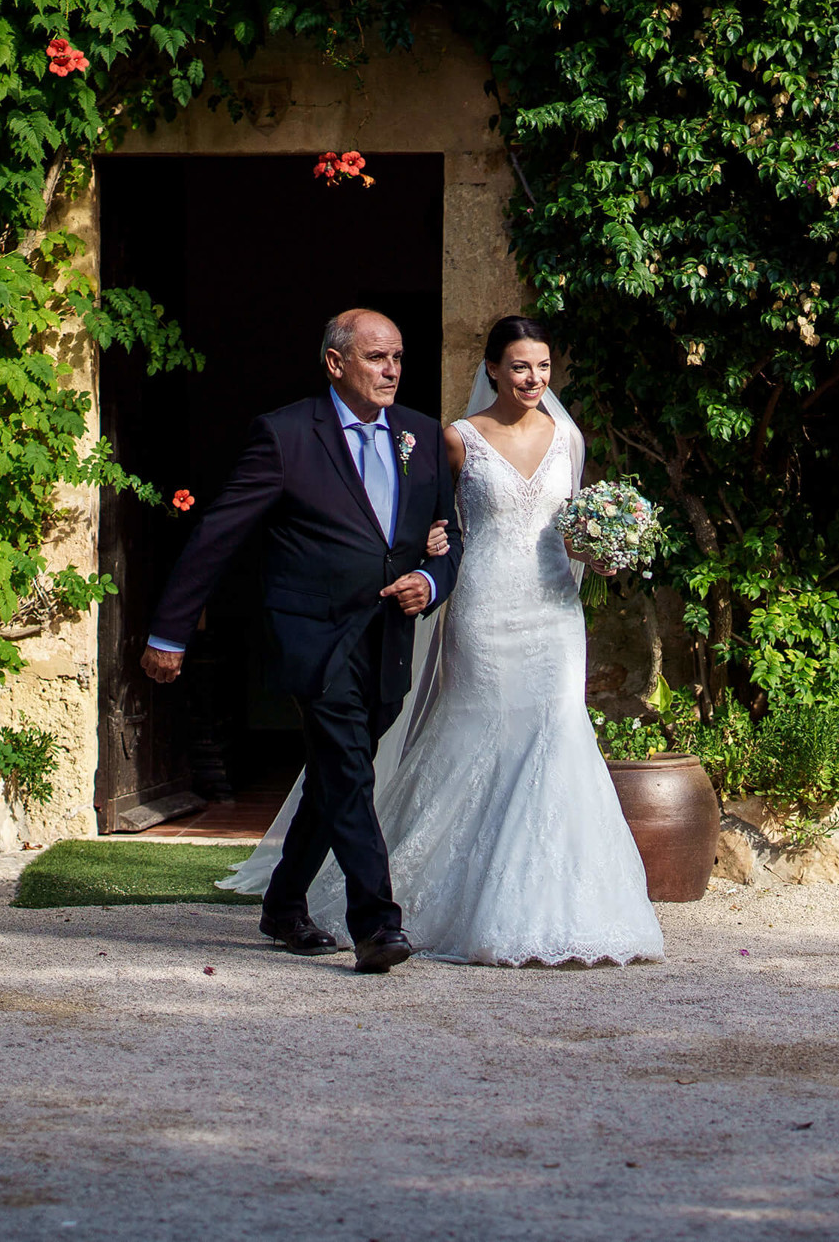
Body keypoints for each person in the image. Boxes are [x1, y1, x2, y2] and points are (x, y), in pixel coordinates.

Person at [222, 316, 665, 967]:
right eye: (519, 366)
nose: (533, 379)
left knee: (559, 734)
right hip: (484, 608)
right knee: (474, 736)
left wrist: (600, 551)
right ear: (491, 369)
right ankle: (404, 895)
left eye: (542, 367)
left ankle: (558, 906)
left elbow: (568, 527)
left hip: (553, 614)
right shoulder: (456, 440)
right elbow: (417, 515)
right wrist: (428, 552)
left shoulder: (568, 437)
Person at [141, 309, 461, 974]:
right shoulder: (285, 435)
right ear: (335, 363)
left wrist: (430, 581)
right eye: (377, 357)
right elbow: (218, 533)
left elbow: (446, 536)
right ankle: (377, 923)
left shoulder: (423, 437)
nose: (393, 369)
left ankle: (283, 902)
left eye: (398, 356)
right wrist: (171, 632)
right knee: (348, 767)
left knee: (334, 774)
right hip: (312, 636)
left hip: (386, 639)